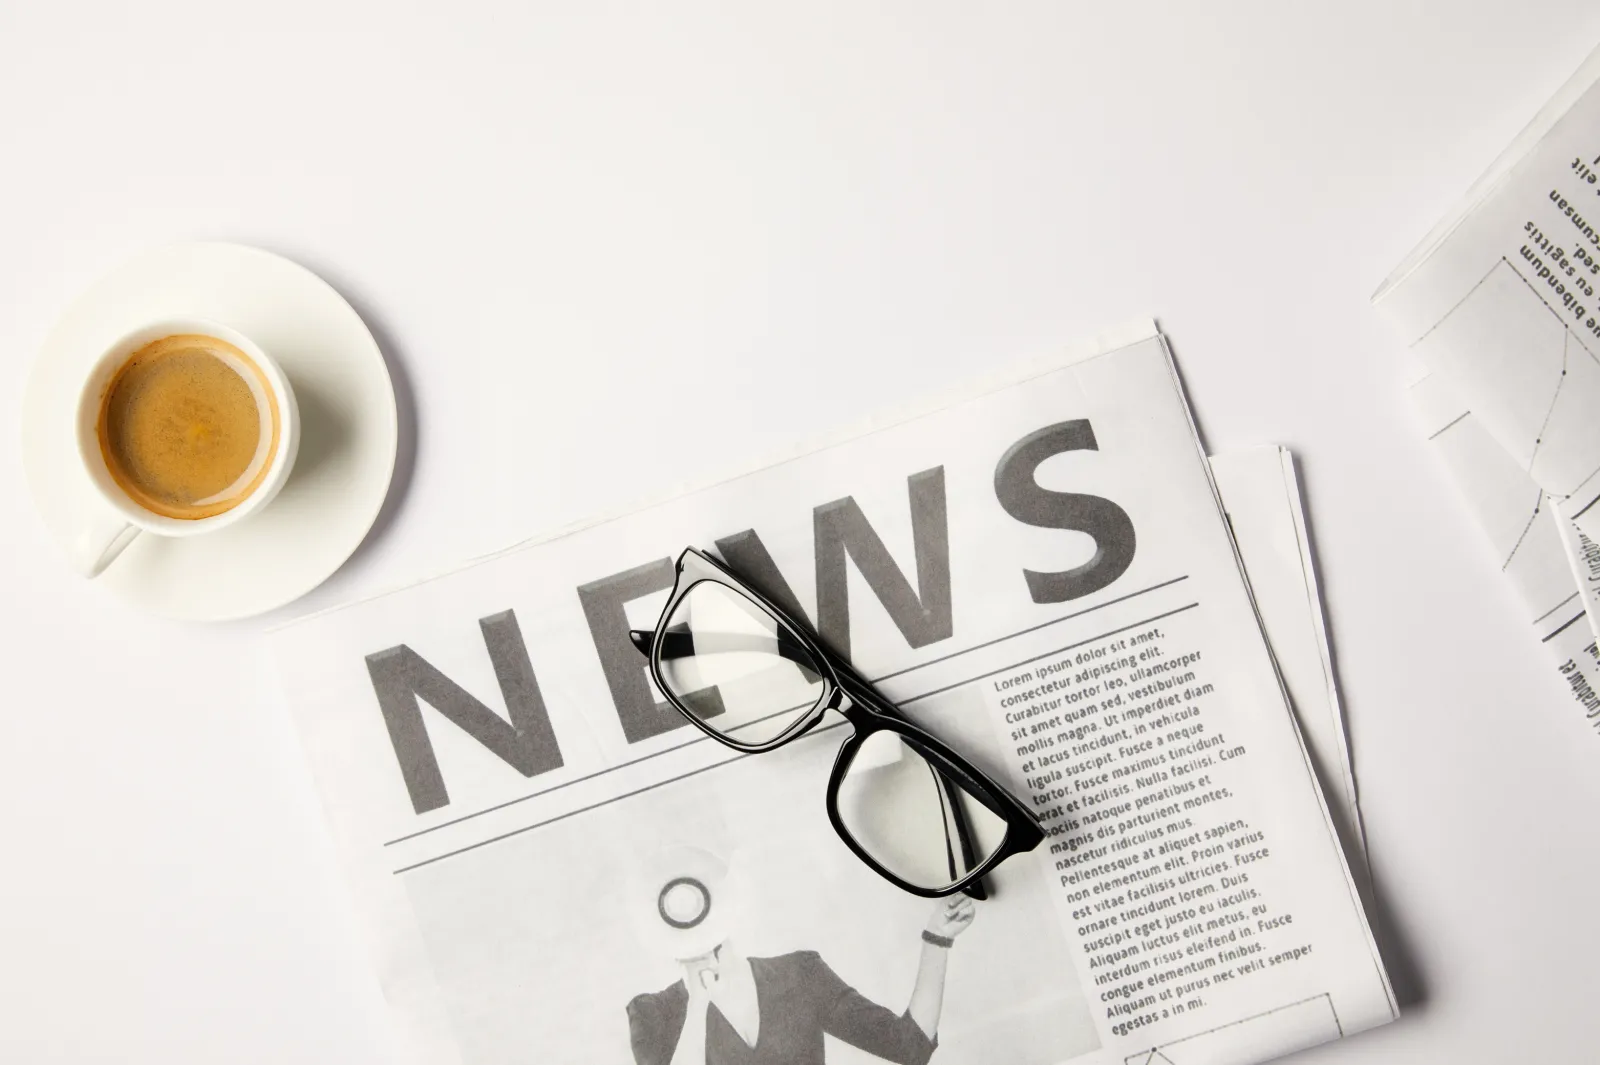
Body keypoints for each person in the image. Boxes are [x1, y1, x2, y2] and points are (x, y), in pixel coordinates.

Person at [626, 846, 975, 1065]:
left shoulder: (800, 974)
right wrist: (698, 1003)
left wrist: (937, 939)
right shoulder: (654, 1014)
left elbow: (909, 1048)